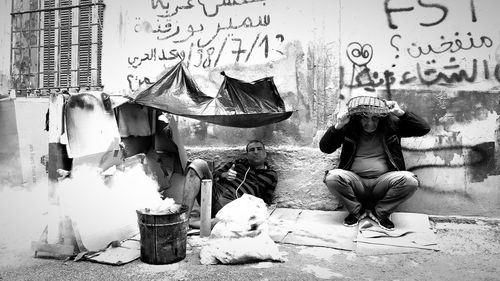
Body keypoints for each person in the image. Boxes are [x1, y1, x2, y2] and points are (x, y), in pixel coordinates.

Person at [320, 96, 430, 230]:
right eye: (365, 118)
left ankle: (380, 213)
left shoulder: (392, 127)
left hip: (383, 184)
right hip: (356, 183)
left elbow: (424, 128)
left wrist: (400, 113)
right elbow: (325, 148)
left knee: (410, 180)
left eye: (374, 118)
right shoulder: (349, 128)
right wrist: (339, 125)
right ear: (358, 118)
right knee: (332, 177)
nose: (370, 123)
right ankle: (356, 211)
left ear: (381, 118)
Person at [182, 140, 278, 225]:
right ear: (247, 155)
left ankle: (197, 223)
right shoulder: (237, 163)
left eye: (259, 149)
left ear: (265, 153)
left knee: (238, 223)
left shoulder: (271, 175)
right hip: (215, 192)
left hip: (234, 205)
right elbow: (215, 174)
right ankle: (183, 220)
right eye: (252, 150)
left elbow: (266, 201)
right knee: (198, 164)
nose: (256, 152)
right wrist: (224, 175)